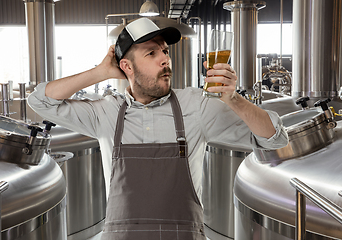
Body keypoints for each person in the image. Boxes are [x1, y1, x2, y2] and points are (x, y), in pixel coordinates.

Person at [28, 17, 288, 240]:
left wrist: (234, 99)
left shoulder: (197, 106)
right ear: (126, 67)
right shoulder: (105, 112)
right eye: (151, 53)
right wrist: (100, 72)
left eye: (165, 51)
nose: (165, 59)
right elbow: (39, 101)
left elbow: (274, 139)